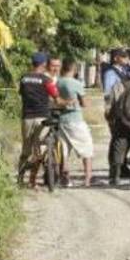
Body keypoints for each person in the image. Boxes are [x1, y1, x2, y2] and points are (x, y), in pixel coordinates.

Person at [18, 51, 58, 188]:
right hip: (42, 117)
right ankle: (32, 181)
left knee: (26, 150)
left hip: (27, 117)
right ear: (44, 64)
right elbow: (56, 96)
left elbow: (22, 94)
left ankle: (20, 179)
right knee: (38, 150)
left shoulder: (23, 78)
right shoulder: (46, 80)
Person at [56, 61, 94, 187]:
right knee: (86, 148)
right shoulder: (76, 83)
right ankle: (88, 178)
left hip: (61, 119)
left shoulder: (57, 82)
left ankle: (65, 179)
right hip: (75, 119)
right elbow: (84, 103)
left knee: (64, 151)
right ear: (74, 70)